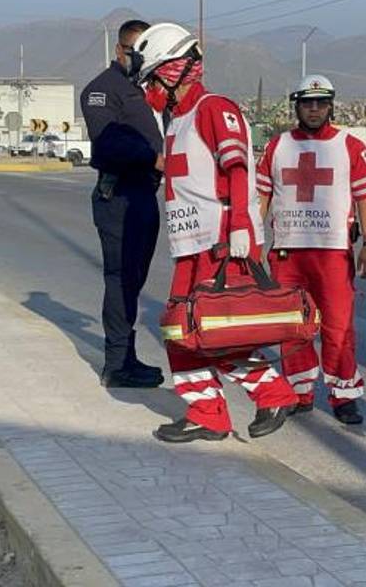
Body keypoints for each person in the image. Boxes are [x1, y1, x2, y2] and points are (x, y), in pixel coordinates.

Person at [134, 23, 298, 443]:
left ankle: (271, 393)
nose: (149, 87)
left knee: (215, 327)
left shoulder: (212, 108)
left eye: (153, 77)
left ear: (174, 69)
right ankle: (209, 411)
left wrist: (242, 228)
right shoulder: (179, 119)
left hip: (222, 240)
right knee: (183, 330)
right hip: (192, 242)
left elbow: (238, 167)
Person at [256, 75, 366, 425]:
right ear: (296, 106)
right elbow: (263, 196)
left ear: (330, 106)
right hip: (287, 252)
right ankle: (300, 391)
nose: (314, 109)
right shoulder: (277, 146)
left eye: (321, 103)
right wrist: (251, 241)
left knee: (338, 326)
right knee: (292, 325)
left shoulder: (350, 145)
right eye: (307, 103)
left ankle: (343, 396)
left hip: (332, 252)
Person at [80, 19, 165, 388]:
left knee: (135, 279)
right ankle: (116, 364)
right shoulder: (102, 89)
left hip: (145, 194)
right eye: (135, 52)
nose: (140, 60)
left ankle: (127, 356)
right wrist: (154, 158)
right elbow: (108, 142)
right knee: (120, 279)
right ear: (120, 51)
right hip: (119, 196)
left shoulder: (151, 90)